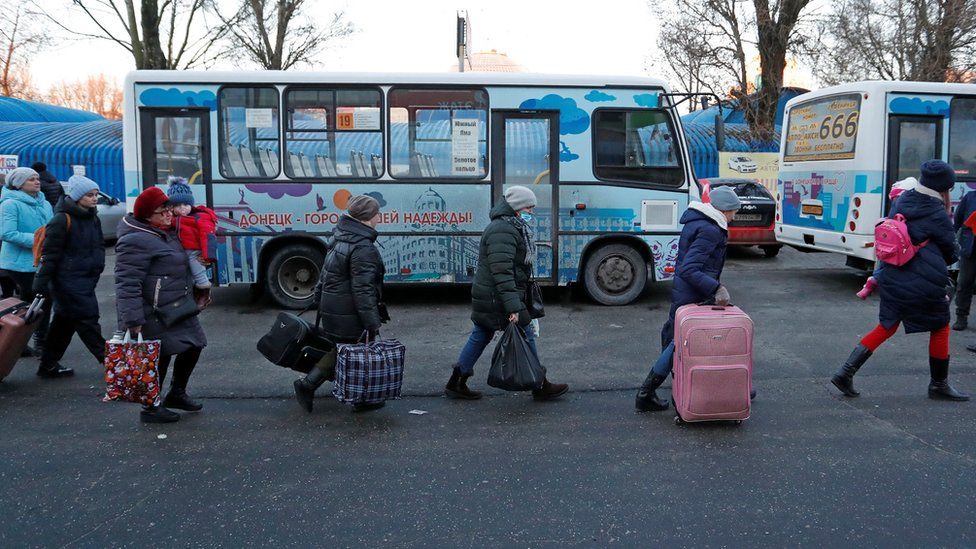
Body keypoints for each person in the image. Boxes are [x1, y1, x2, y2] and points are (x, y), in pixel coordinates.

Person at [832, 160, 969, 401]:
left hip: (893, 275)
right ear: (944, 188)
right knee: (940, 326)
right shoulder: (936, 212)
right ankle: (939, 384)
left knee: (887, 325)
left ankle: (845, 372)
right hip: (923, 280)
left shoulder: (903, 200)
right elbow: (951, 252)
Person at [444, 185, 568, 401]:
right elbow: (502, 272)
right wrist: (514, 307)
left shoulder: (509, 227)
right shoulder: (504, 230)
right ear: (518, 208)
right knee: (525, 330)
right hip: (497, 296)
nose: (532, 212)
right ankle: (539, 384)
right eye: (529, 207)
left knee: (481, 334)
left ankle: (456, 382)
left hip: (491, 295)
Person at [635, 185, 741, 412]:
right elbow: (689, 269)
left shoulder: (699, 222)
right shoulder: (711, 230)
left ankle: (735, 385)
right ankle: (646, 392)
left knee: (677, 341)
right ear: (723, 210)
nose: (735, 215)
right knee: (677, 345)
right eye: (733, 210)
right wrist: (717, 288)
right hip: (694, 296)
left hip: (688, 293)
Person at [115, 187, 209, 423]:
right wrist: (133, 320)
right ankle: (150, 407)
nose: (170, 215)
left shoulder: (164, 232)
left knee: (194, 345)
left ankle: (176, 393)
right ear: (147, 214)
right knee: (159, 358)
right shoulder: (135, 240)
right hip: (153, 310)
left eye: (170, 209)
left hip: (177, 306)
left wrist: (199, 283)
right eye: (163, 211)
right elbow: (127, 283)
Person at [293, 195, 388, 413]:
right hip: (349, 311)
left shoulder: (341, 236)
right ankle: (310, 385)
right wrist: (372, 321)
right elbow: (363, 289)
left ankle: (352, 395)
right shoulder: (363, 247)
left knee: (344, 350)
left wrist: (318, 299)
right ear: (367, 218)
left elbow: (325, 274)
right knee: (353, 352)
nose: (379, 218)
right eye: (377, 214)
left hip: (334, 307)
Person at [32, 175, 106, 378]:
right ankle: (112, 363)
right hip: (67, 280)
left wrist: (98, 266)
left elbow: (99, 245)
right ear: (76, 196)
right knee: (87, 320)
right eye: (89, 195)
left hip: (86, 278)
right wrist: (41, 282)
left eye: (96, 194)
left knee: (63, 324)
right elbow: (50, 254)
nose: (94, 198)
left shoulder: (93, 217)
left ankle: (47, 365)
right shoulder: (61, 220)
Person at [0, 167, 54, 359]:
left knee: (30, 301)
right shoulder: (10, 204)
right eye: (31, 179)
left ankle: (20, 340)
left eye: (37, 178)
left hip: (40, 259)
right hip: (19, 262)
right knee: (41, 298)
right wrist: (38, 240)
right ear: (19, 184)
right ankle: (39, 341)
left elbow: (51, 227)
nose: (37, 182)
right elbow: (7, 233)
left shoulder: (44, 202)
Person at [857, 177, 918, 300]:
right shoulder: (916, 204)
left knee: (885, 258)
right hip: (908, 253)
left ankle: (874, 279)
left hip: (890, 243)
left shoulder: (896, 204)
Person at [166, 176, 218, 306]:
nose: (182, 208)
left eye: (185, 204)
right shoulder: (173, 219)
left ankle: (204, 292)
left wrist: (208, 257)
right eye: (177, 205)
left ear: (191, 204)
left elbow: (208, 236)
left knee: (197, 270)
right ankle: (193, 292)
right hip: (182, 252)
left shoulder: (200, 217)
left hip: (195, 252)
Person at [952, 184, 976, 331]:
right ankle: (961, 317)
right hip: (970, 248)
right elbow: (958, 219)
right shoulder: (970, 197)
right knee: (964, 283)